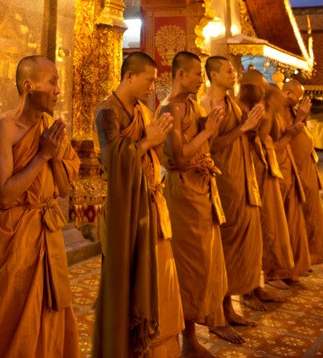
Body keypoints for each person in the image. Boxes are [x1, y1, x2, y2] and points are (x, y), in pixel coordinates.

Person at [0, 56, 81, 358]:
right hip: (11, 237)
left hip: (46, 231)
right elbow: (3, 195)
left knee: (48, 312)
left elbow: (66, 188)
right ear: (29, 86)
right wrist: (43, 155)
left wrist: (54, 154)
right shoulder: (2, 128)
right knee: (4, 317)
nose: (58, 89)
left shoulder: (51, 130)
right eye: (52, 81)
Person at [94, 51, 183, 357]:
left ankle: (155, 347)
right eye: (149, 80)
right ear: (129, 76)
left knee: (158, 278)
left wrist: (156, 139)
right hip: (124, 212)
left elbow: (149, 156)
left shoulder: (142, 111)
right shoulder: (107, 111)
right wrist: (147, 141)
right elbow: (112, 162)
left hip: (151, 203)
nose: (152, 88)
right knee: (125, 282)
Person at [158, 52, 238, 355]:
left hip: (202, 187)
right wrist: (208, 130)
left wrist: (209, 125)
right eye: (195, 74)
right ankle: (187, 339)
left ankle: (203, 326)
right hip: (183, 192)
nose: (200, 79)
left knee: (207, 262)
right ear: (180, 74)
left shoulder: (191, 105)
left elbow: (202, 139)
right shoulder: (170, 108)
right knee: (189, 266)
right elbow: (177, 158)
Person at [203, 57, 277, 321]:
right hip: (224, 180)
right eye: (228, 71)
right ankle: (221, 309)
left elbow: (245, 138)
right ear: (212, 74)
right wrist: (243, 128)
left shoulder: (233, 105)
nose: (233, 75)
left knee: (245, 242)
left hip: (243, 177)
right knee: (225, 245)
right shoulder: (207, 105)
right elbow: (210, 146)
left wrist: (252, 129)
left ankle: (242, 294)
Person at [240, 70, 309, 289]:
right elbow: (261, 145)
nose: (286, 101)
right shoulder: (264, 114)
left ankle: (284, 268)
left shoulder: (276, 113)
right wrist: (291, 134)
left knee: (280, 220)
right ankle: (271, 272)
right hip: (264, 169)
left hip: (277, 168)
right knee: (269, 221)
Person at [283, 80, 323, 264]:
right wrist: (299, 118)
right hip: (295, 167)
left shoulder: (292, 110)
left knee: (313, 209)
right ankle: (304, 252)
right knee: (302, 212)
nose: (300, 101)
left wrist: (302, 116)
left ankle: (314, 251)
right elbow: (284, 136)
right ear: (287, 93)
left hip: (307, 164)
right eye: (298, 96)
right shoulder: (280, 111)